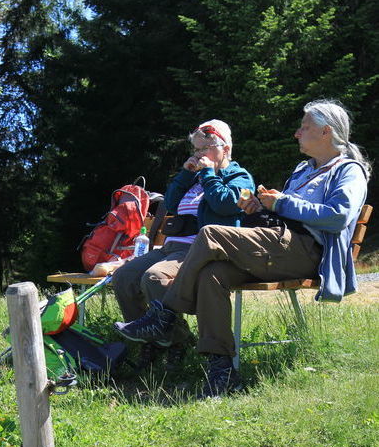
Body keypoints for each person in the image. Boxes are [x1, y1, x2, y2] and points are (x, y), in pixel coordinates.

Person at [114, 99, 370, 395]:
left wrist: (282, 203)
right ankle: (223, 373)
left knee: (210, 233)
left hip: (307, 251)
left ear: (326, 132)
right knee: (212, 274)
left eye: (304, 127)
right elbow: (284, 213)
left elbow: (338, 216)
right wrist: (260, 207)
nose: (297, 133)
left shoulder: (348, 170)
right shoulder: (303, 170)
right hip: (278, 244)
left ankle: (165, 314)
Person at [112, 119, 255, 370]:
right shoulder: (194, 178)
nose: (199, 155)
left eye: (205, 148)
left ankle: (177, 341)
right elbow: (170, 203)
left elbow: (224, 204)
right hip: (170, 248)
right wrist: (186, 174)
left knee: (154, 278)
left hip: (203, 250)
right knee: (124, 277)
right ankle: (155, 340)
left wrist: (208, 174)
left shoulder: (240, 177)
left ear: (226, 149)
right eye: (196, 150)